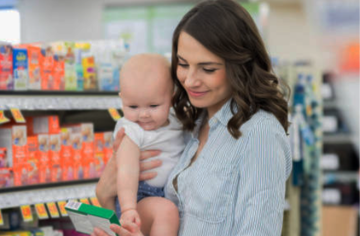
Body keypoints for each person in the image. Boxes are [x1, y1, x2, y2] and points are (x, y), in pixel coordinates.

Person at [94, 0, 292, 235]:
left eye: (207, 69)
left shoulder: (259, 133)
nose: (189, 80)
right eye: (183, 64)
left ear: (240, 66)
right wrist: (106, 197)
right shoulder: (188, 124)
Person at [112, 53, 184, 235]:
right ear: (122, 99)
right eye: (133, 107)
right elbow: (126, 170)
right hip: (139, 197)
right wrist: (128, 209)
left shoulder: (177, 121)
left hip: (168, 193)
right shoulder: (131, 130)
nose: (143, 114)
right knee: (166, 212)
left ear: (172, 99)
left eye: (153, 106)